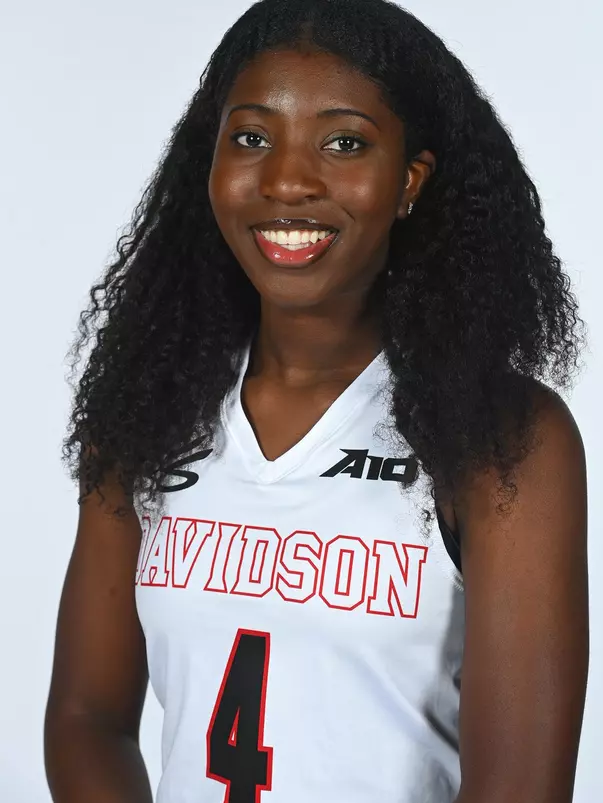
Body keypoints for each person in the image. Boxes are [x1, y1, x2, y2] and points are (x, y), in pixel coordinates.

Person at [44, 1, 589, 801]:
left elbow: (518, 789)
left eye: (343, 142)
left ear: (409, 180)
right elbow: (87, 716)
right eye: (251, 137)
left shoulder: (502, 438)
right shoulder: (147, 412)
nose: (286, 179)